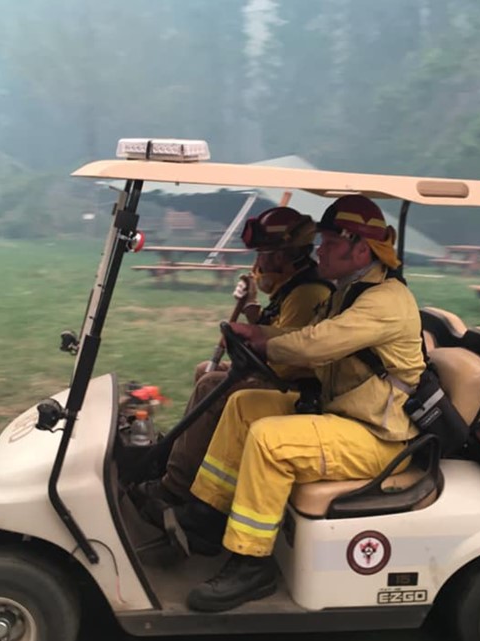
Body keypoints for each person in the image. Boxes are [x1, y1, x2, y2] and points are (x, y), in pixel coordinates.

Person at [177, 195, 426, 613]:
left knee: (270, 441)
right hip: (345, 415)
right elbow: (305, 335)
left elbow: (316, 345)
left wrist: (263, 341)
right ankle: (207, 515)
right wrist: (259, 334)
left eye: (330, 243)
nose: (319, 251)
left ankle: (251, 564)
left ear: (361, 249)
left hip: (379, 437)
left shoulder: (385, 301)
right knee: (244, 406)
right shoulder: (348, 292)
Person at [128, 206, 333, 531]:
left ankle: (173, 488)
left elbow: (288, 357)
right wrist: (251, 307)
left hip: (300, 387)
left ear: (287, 255)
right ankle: (183, 460)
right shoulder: (293, 286)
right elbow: (275, 329)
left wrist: (249, 342)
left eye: (265, 254)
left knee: (212, 386)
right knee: (204, 372)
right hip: (283, 375)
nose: (259, 262)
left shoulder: (308, 293)